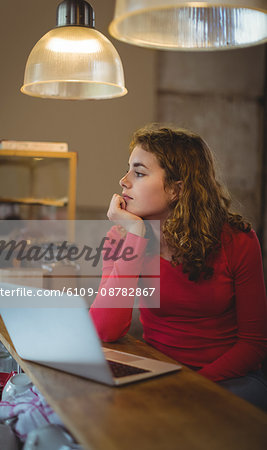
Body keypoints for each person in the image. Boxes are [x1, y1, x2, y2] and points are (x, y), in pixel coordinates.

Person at [89, 124, 267, 410]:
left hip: (230, 379)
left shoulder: (239, 240)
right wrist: (134, 234)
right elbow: (105, 329)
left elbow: (253, 345)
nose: (123, 181)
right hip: (160, 372)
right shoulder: (121, 237)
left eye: (139, 172)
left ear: (176, 189)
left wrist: (191, 384)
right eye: (128, 170)